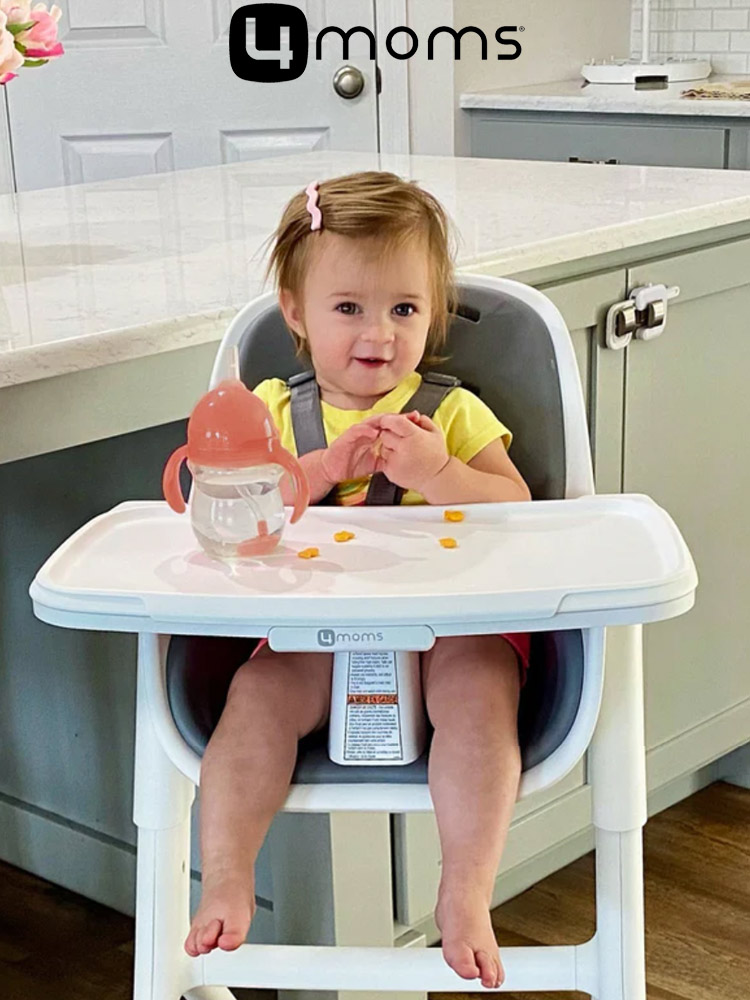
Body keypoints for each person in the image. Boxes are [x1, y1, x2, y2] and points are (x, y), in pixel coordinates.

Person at [185, 171, 532, 990]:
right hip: (315, 629)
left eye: (404, 309)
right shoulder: (269, 410)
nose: (378, 333)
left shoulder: (450, 411)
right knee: (254, 701)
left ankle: (464, 886)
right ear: (296, 312)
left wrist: (440, 471)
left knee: (482, 696)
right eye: (349, 308)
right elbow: (224, 510)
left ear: (432, 314)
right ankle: (231, 873)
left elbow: (514, 504)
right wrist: (315, 469)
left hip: (450, 625)